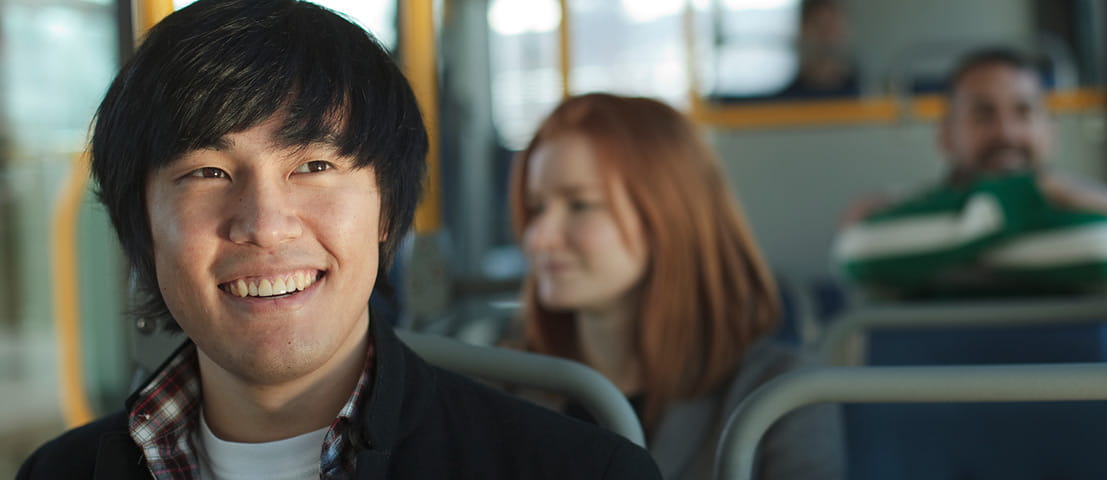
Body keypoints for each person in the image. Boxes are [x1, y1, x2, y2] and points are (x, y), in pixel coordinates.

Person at [18, 1, 661, 479]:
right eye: (208, 173)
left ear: (386, 211)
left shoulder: (575, 469)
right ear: (142, 227)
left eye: (315, 167)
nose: (266, 224)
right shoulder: (56, 472)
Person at [509, 93, 844, 480]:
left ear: (668, 217)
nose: (538, 238)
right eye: (536, 207)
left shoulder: (779, 398)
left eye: (580, 205)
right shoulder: (504, 386)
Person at [833, 47, 1107, 298]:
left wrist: (949, 246)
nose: (1006, 133)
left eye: (1023, 112)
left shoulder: (908, 218)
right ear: (946, 136)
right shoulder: (903, 203)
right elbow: (860, 252)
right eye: (983, 115)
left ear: (1050, 133)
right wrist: (1033, 196)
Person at [775, 0, 860, 100]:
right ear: (803, 31)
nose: (826, 35)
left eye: (831, 27)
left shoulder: (865, 95)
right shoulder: (787, 101)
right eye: (818, 26)